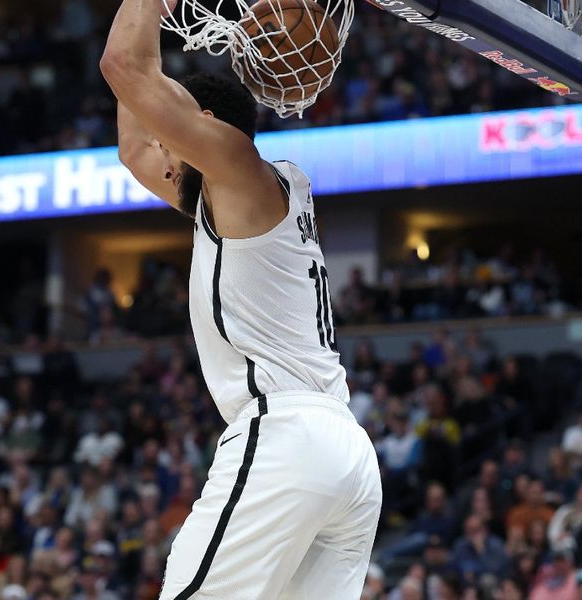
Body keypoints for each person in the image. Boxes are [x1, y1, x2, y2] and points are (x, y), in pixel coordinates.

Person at [100, 1, 382, 597]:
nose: (160, 157)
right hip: (344, 455)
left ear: (202, 124)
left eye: (168, 139)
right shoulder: (242, 196)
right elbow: (132, 148)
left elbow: (123, 67)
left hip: (287, 436)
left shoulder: (238, 167)